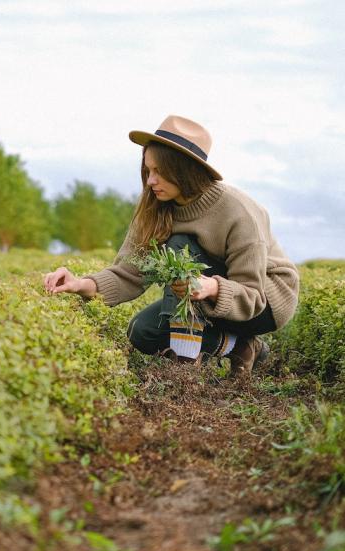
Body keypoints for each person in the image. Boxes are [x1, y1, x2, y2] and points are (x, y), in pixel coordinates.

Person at [43, 115, 300, 376]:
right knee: (143, 331)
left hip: (264, 301)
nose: (151, 181)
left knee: (179, 245)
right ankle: (241, 347)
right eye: (148, 171)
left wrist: (211, 286)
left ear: (185, 170)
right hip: (208, 294)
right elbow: (129, 273)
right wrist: (79, 284)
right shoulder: (154, 207)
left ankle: (183, 369)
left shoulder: (238, 211)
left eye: (159, 172)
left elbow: (252, 296)